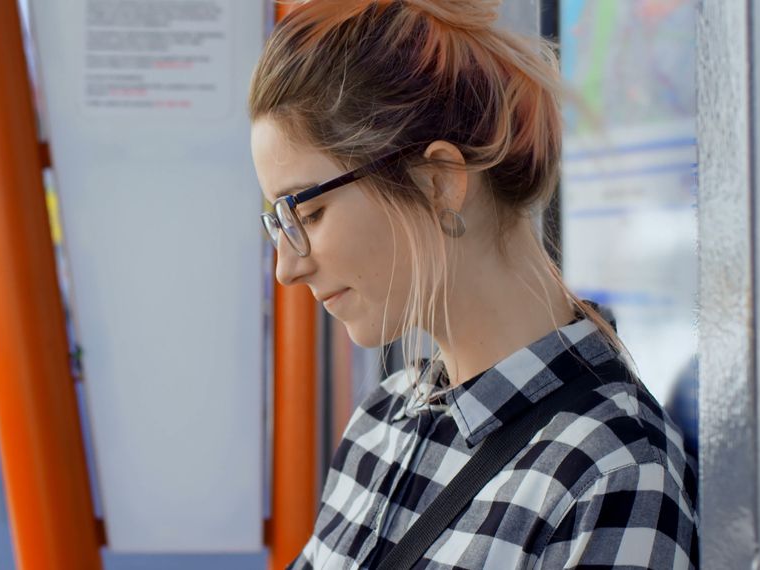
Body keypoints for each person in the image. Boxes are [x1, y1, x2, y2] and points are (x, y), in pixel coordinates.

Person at [249, 1, 698, 568]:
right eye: (278, 222)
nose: (287, 268)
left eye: (306, 214)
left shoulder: (611, 474)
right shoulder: (383, 420)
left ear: (439, 182)